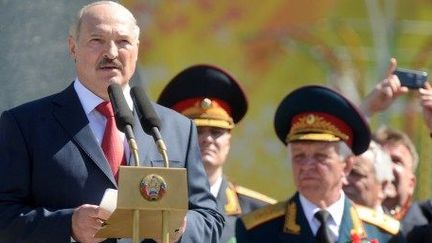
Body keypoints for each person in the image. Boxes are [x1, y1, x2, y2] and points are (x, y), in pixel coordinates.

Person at [0, 1, 224, 243]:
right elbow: (5, 217)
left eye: (123, 42)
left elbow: (210, 218)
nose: (112, 53)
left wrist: (179, 228)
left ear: (137, 50)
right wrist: (69, 226)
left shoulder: (177, 128)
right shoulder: (25, 124)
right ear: (73, 48)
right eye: (97, 40)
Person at [236, 85, 404, 242]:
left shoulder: (383, 234)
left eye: (320, 156)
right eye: (299, 156)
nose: (307, 165)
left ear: (346, 165)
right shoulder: (258, 231)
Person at [157, 64, 276, 243]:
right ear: (177, 138)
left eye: (216, 131)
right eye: (196, 131)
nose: (207, 139)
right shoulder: (153, 207)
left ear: (230, 139)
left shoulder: (261, 214)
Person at [360, 57, 432, 237]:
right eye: (381, 160)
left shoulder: (424, 223)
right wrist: (368, 108)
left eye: (396, 161)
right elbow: (331, 161)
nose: (388, 167)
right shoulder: (345, 217)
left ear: (411, 183)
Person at [343, 140, 396, 212]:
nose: (343, 180)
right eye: (343, 170)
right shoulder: (325, 221)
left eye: (355, 173)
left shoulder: (391, 223)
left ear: (383, 187)